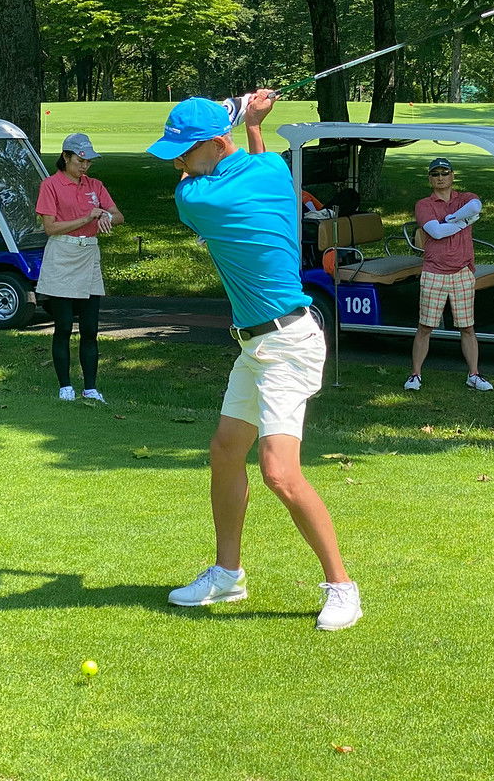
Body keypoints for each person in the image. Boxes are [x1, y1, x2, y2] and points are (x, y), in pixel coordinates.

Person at [147, 93, 361, 632]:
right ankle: (228, 574)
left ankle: (342, 587)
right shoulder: (271, 170)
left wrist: (240, 114)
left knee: (279, 473)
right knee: (225, 450)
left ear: (218, 144)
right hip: (256, 344)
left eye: (184, 151)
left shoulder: (198, 200)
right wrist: (252, 124)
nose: (177, 163)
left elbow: (191, 182)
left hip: (288, 346)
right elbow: (253, 157)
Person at [34, 133, 123, 404]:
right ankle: (65, 386)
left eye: (88, 162)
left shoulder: (95, 185)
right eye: (80, 160)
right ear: (66, 157)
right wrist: (87, 218)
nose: (85, 166)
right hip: (62, 254)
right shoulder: (51, 185)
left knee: (90, 328)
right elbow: (50, 227)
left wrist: (105, 216)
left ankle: (91, 388)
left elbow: (118, 215)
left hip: (89, 255)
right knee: (63, 326)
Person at [404, 156, 494, 393]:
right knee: (425, 327)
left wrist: (451, 219)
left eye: (445, 173)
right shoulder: (424, 204)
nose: (440, 178)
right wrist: (462, 222)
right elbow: (436, 232)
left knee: (467, 327)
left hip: (463, 272)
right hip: (434, 271)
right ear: (430, 179)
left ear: (452, 176)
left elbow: (475, 207)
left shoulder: (464, 198)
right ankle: (415, 375)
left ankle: (474, 374)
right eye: (435, 174)